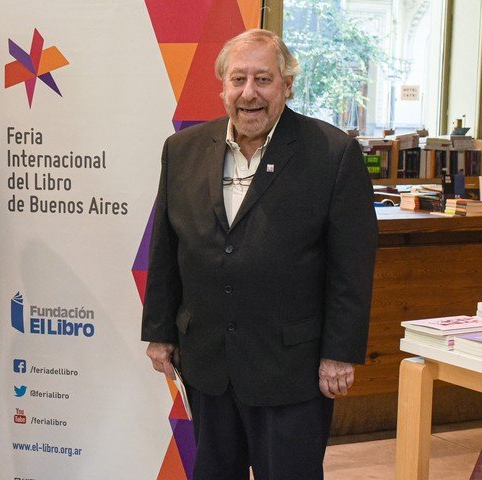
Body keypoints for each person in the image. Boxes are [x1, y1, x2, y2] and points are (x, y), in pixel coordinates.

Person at [142, 28, 377, 480]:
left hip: (292, 367)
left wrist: (339, 354)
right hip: (208, 363)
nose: (249, 94)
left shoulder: (332, 153)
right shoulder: (182, 150)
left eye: (264, 80)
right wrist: (159, 331)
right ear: (222, 87)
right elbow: (167, 248)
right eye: (238, 80)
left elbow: (352, 266)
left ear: (287, 86)